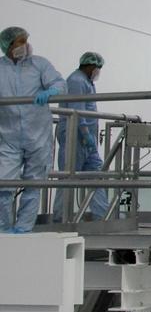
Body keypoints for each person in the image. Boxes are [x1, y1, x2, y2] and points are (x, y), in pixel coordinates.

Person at [0, 27, 66, 232]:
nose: (25, 45)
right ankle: (3, 229)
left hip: (38, 135)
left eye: (26, 41)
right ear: (8, 45)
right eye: (20, 42)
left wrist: (51, 91)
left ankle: (23, 229)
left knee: (34, 184)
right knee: (3, 184)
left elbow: (59, 83)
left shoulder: (39, 64)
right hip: (8, 135)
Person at [53, 52, 108, 220]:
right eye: (97, 68)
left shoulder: (87, 82)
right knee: (68, 176)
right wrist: (84, 132)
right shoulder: (76, 81)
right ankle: (60, 218)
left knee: (96, 175)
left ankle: (102, 215)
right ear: (90, 66)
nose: (98, 71)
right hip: (74, 136)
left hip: (88, 140)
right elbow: (76, 110)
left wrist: (89, 137)